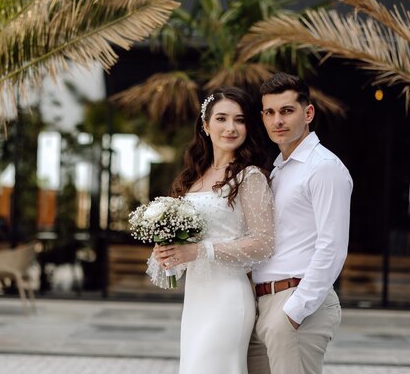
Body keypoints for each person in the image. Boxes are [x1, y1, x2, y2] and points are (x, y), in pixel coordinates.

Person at [147, 86, 275, 374]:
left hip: (229, 296)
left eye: (239, 120)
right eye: (222, 118)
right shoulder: (192, 179)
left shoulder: (250, 176)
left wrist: (198, 250)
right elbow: (184, 248)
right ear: (205, 125)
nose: (231, 127)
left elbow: (264, 243)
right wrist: (167, 251)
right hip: (196, 296)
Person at [248, 73, 353, 374]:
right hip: (265, 303)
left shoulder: (324, 168)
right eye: (270, 112)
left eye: (286, 111)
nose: (277, 120)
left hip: (294, 303)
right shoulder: (279, 168)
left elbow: (332, 247)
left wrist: (294, 312)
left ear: (308, 113)